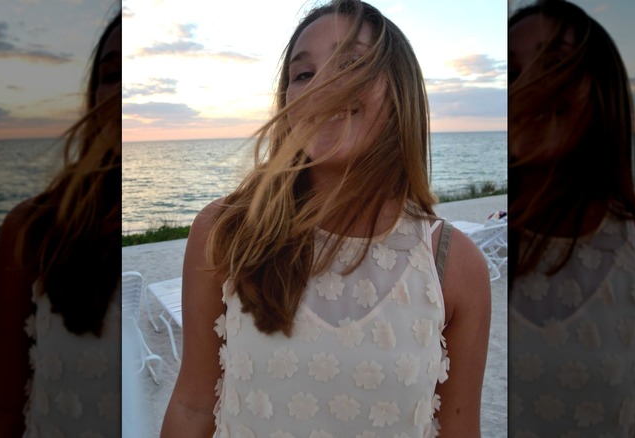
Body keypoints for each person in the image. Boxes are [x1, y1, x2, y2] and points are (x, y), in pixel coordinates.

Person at [161, 0, 492, 436]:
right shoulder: (226, 231)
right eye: (303, 74)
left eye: (350, 63)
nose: (322, 87)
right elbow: (193, 405)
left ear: (400, 92)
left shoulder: (454, 265)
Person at [507, 1, 635, 437]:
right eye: (514, 73)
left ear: (600, 91)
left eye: (554, 64)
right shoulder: (476, 264)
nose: (533, 84)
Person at [0, 12, 121, 438]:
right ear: (92, 100)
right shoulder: (32, 232)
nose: (123, 94)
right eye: (112, 75)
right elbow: (2, 404)